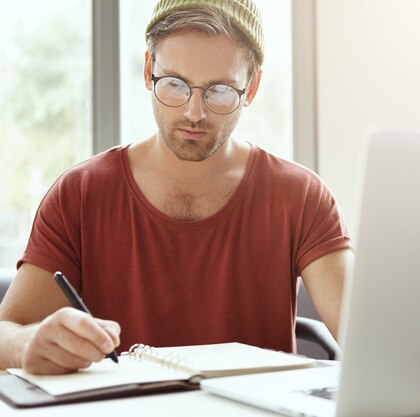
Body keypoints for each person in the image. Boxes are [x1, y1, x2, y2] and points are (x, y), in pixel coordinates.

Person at [0, 0, 352, 375]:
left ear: (252, 88)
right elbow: (6, 334)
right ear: (149, 69)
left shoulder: (300, 196)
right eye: (175, 85)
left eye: (219, 91)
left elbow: (365, 332)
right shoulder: (80, 193)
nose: (194, 113)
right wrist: (26, 345)